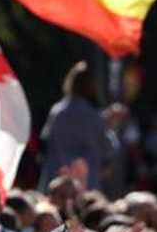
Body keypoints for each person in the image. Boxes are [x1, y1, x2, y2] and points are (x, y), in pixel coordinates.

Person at [39, 61, 113, 191]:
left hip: (56, 183)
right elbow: (108, 150)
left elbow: (44, 143)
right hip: (87, 184)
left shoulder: (57, 112)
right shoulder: (94, 116)